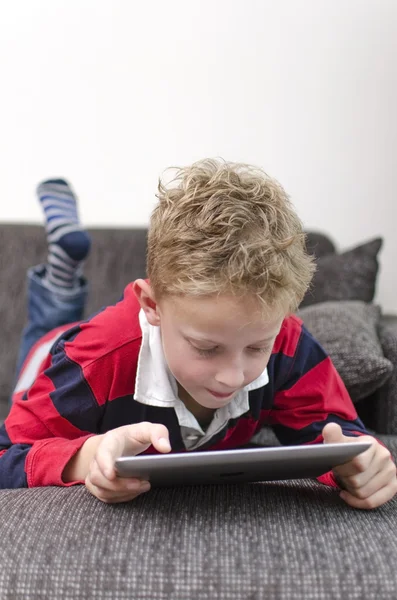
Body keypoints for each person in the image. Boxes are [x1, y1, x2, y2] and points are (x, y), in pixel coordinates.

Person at [0, 160, 396, 509]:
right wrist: (88, 457)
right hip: (57, 352)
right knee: (43, 332)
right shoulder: (90, 361)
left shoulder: (288, 341)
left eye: (258, 346)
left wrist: (360, 465)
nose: (233, 376)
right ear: (152, 305)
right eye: (206, 348)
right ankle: (60, 277)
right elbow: (7, 455)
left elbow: (341, 438)